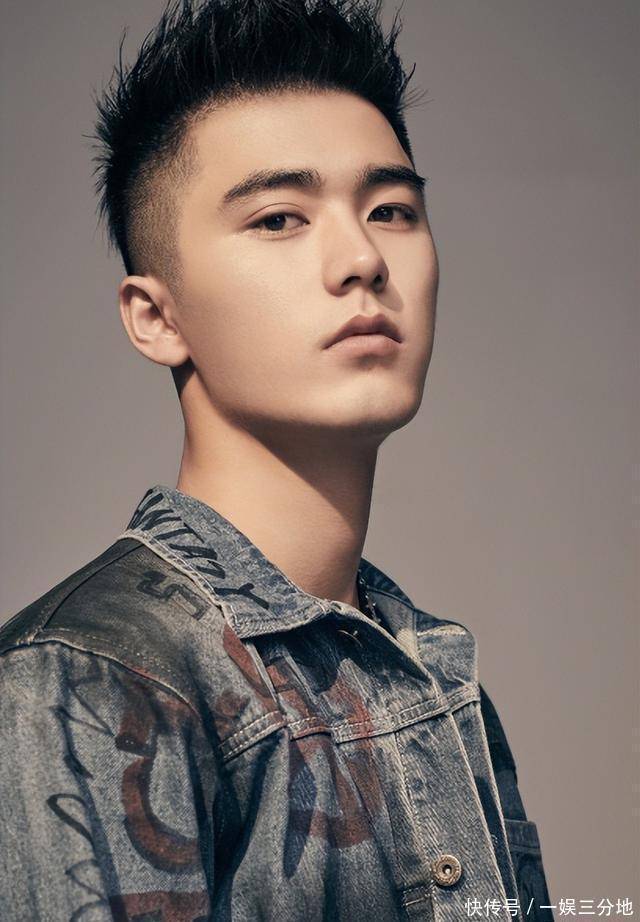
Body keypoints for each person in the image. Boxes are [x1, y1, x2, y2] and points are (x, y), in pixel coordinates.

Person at [0, 1, 555, 919]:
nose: (361, 258)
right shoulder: (85, 677)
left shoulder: (429, 673)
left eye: (391, 210)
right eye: (279, 219)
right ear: (156, 316)